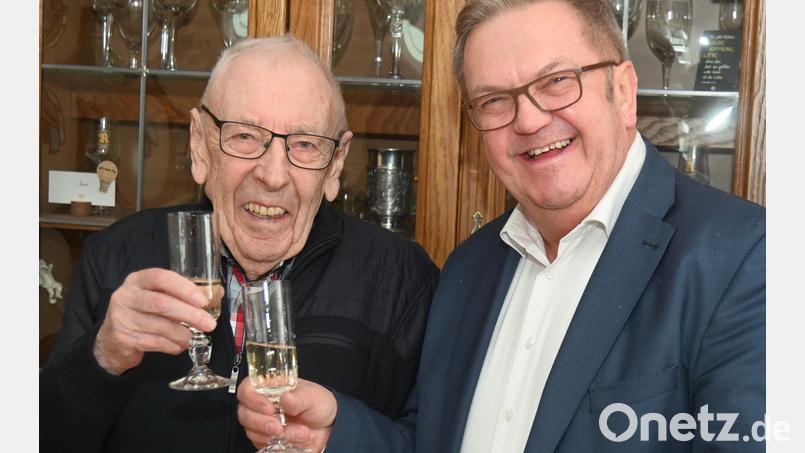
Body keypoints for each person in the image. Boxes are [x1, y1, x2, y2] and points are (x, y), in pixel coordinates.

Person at [239, 1, 765, 452]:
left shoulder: (745, 258)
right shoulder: (470, 267)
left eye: (557, 82)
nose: (530, 120)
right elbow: (436, 438)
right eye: (494, 101)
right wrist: (336, 433)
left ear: (623, 91)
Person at [39, 36, 439, 453]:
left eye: (304, 144)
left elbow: (429, 442)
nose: (273, 175)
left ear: (335, 164)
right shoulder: (117, 257)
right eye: (245, 136)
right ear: (200, 143)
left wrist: (339, 436)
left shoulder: (400, 281)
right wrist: (102, 357)